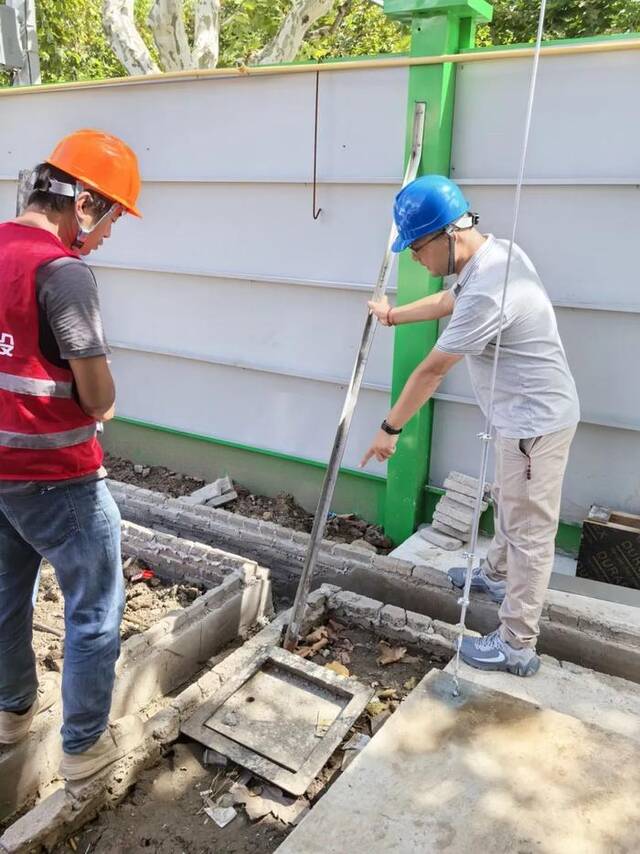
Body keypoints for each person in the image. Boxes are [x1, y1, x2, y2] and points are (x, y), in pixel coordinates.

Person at [360, 175, 580, 677]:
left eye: (416, 248)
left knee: (529, 532)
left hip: (535, 424)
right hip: (519, 419)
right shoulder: (491, 257)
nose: (416, 259)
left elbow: (433, 370)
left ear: (447, 235)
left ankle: (516, 644)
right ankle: (497, 576)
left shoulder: (489, 288)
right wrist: (393, 316)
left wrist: (389, 430)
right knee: (509, 500)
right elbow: (446, 303)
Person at [0, 129, 144, 779]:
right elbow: (96, 396)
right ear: (82, 204)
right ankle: (84, 747)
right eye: (111, 216)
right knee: (95, 604)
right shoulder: (65, 272)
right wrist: (106, 402)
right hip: (57, 476)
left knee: (5, 592)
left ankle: (10, 711)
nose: (110, 233)